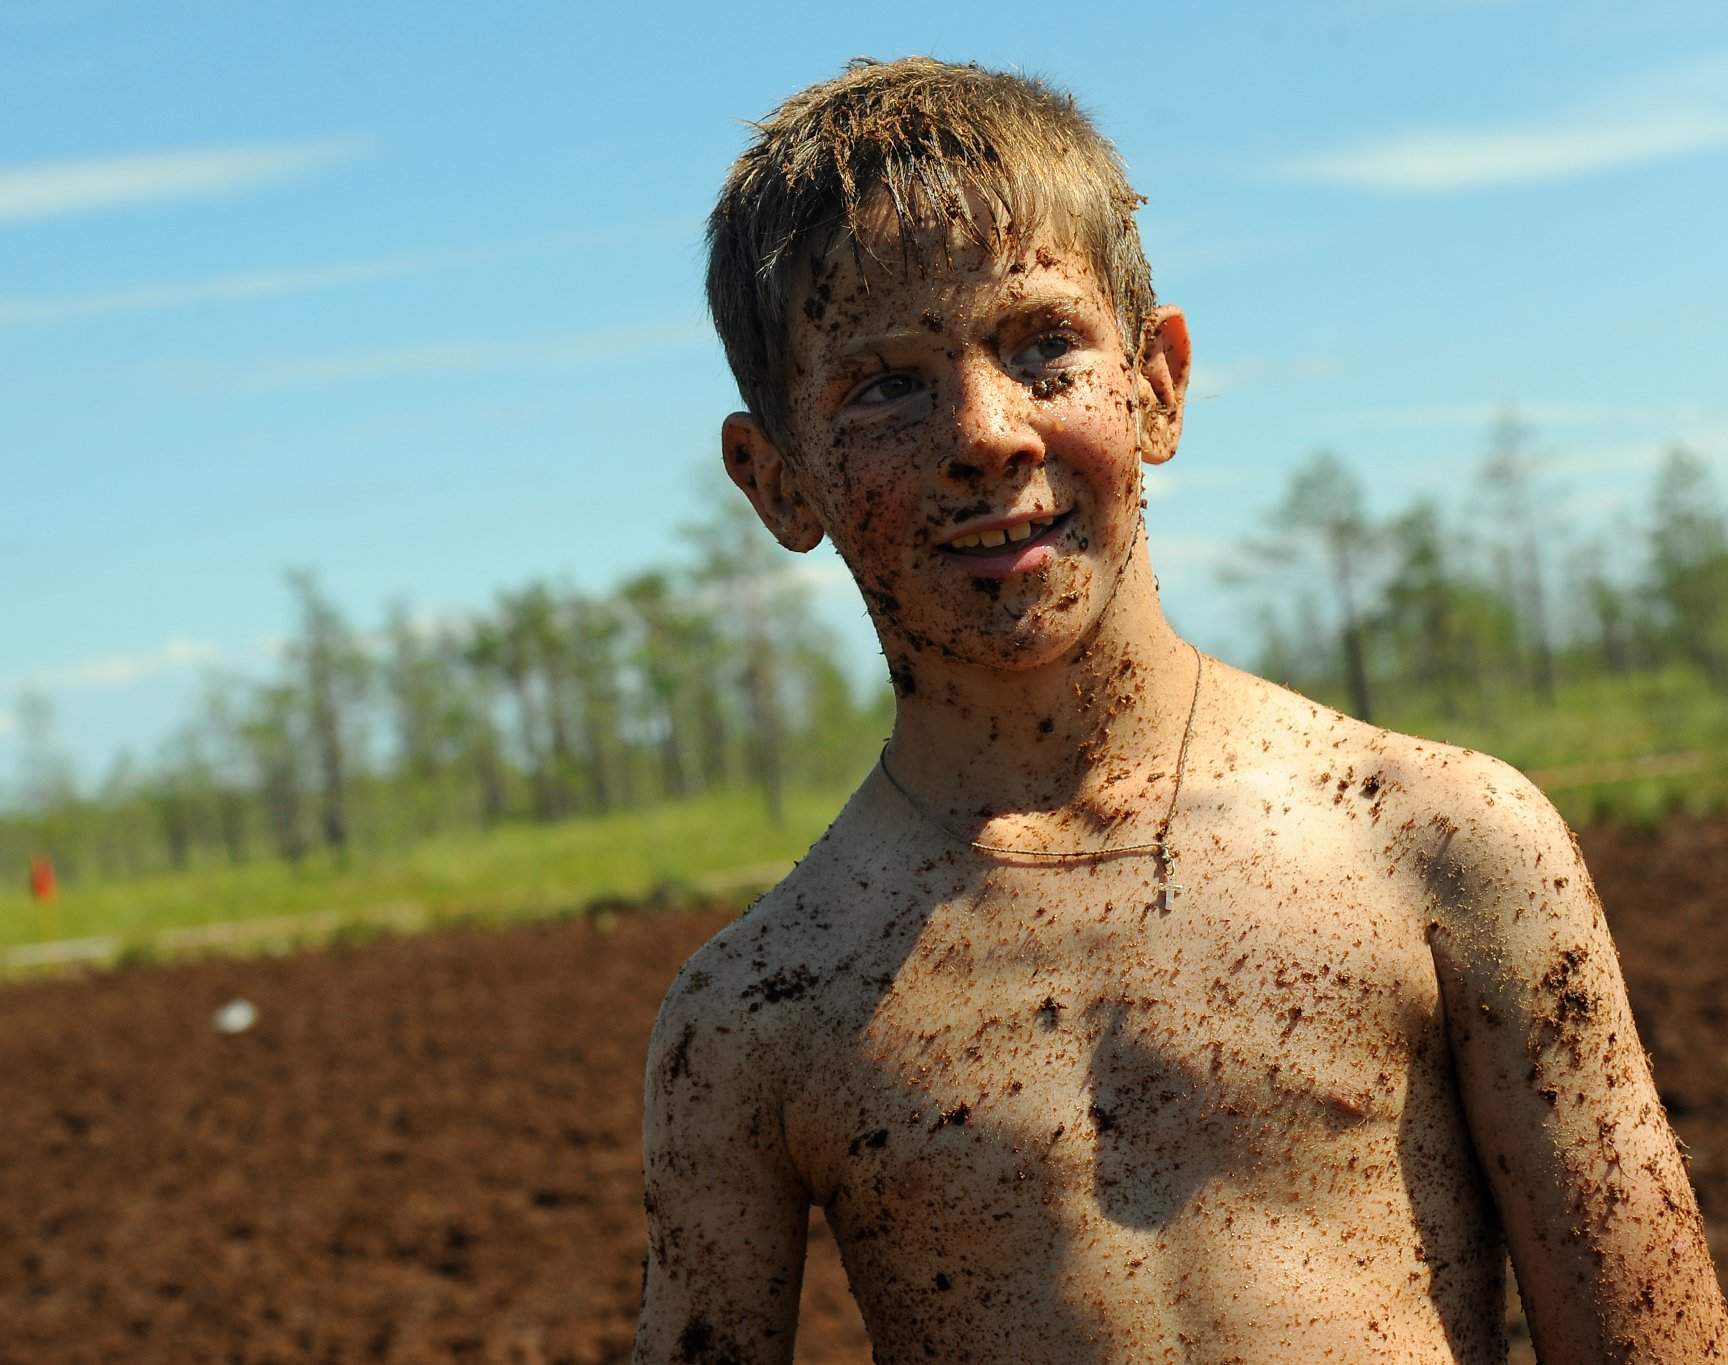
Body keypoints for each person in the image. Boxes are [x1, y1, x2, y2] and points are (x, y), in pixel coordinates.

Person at [633, 56, 1726, 1363]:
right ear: (776, 480)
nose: (985, 430)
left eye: (1042, 345)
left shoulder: (1444, 846)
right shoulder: (762, 1009)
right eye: (886, 383)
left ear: (1157, 383)